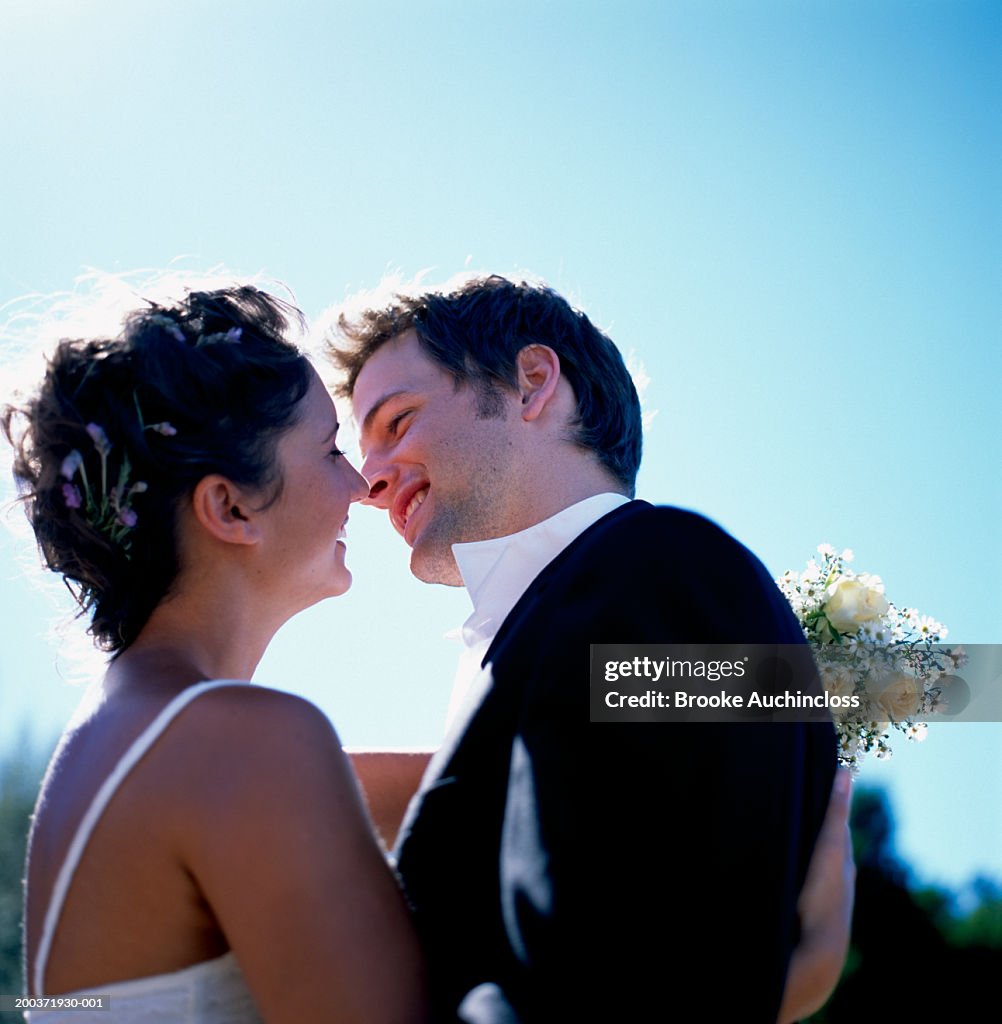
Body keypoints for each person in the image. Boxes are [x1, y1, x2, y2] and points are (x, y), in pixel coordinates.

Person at [329, 274, 853, 1024]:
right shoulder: (559, 625)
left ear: (533, 383)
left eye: (398, 421)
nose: (369, 480)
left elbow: (619, 984)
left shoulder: (663, 573)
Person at [3, 286, 427, 1023]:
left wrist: (674, 696)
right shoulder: (242, 745)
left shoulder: (132, 741)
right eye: (329, 449)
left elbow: (475, 775)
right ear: (230, 509)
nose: (362, 486)